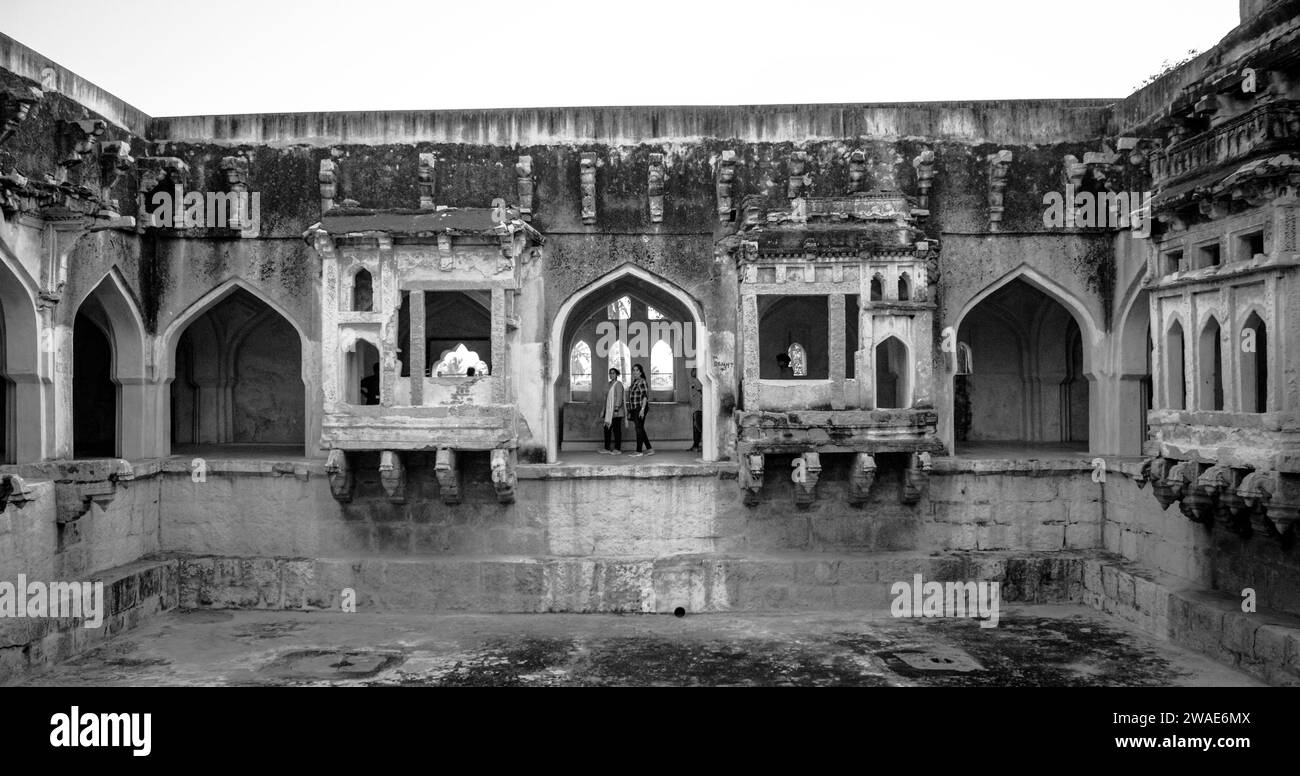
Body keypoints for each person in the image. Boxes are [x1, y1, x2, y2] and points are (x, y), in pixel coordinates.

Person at [626, 364, 654, 457]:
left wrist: (642, 409)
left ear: (640, 372)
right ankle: (649, 449)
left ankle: (639, 451)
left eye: (636, 370)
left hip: (640, 408)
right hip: (635, 409)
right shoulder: (635, 382)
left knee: (639, 429)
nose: (634, 372)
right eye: (633, 370)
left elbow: (645, 396)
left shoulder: (642, 382)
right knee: (640, 429)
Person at [598, 367, 625, 455]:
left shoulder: (618, 384)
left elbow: (619, 397)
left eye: (613, 373)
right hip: (608, 411)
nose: (611, 375)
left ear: (616, 374)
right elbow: (606, 398)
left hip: (616, 411)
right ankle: (607, 448)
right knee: (606, 429)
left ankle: (617, 449)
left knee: (616, 430)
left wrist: (616, 409)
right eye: (610, 373)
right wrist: (603, 410)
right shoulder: (608, 384)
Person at [688, 367, 703, 452]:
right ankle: (695, 445)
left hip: (699, 409)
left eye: (695, 370)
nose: (692, 371)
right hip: (695, 409)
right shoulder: (694, 381)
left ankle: (698, 445)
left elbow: (701, 393)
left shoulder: (698, 381)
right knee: (696, 428)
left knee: (698, 427)